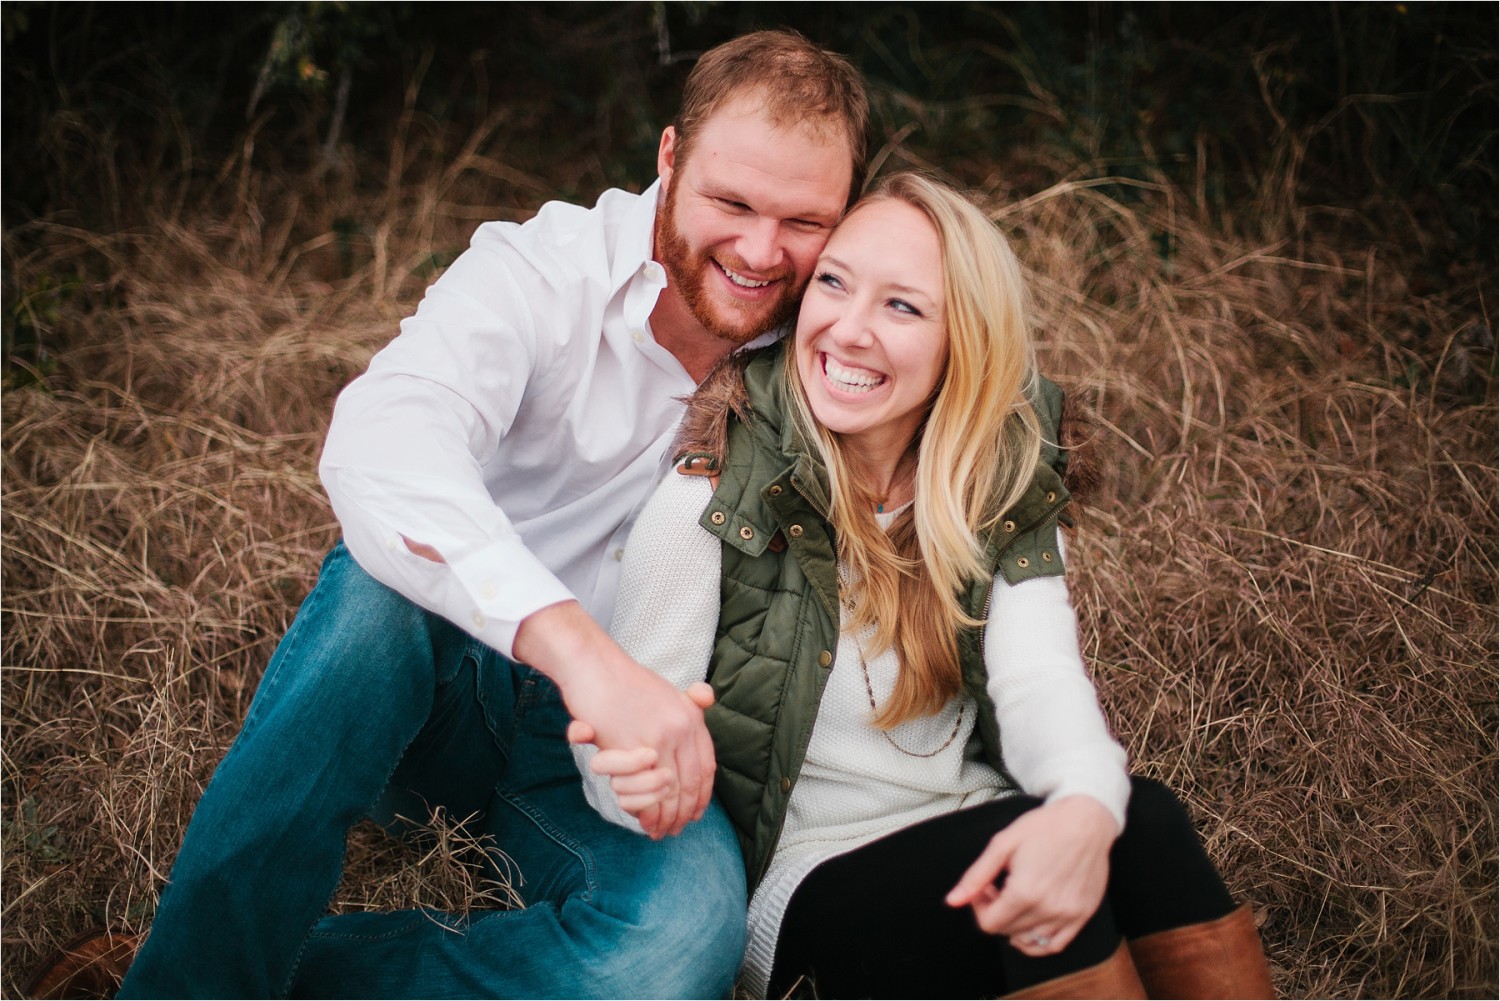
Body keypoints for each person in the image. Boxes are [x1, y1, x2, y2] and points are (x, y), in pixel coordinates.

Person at [70, 29, 868, 1001]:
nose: (760, 250)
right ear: (668, 159)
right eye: (731, 202)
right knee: (380, 589)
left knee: (675, 950)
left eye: (804, 220)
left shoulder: (840, 346)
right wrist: (581, 652)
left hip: (620, 742)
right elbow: (381, 439)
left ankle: (240, 967)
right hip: (440, 692)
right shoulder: (539, 272)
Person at [577, 172, 1277, 999]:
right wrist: (634, 779)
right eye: (833, 284)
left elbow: (1040, 679)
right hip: (811, 882)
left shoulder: (993, 490)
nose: (849, 328)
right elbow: (624, 747)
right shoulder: (708, 500)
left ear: (963, 344)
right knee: (1023, 879)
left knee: (1141, 818)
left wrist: (1087, 806)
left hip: (971, 821)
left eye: (901, 307)